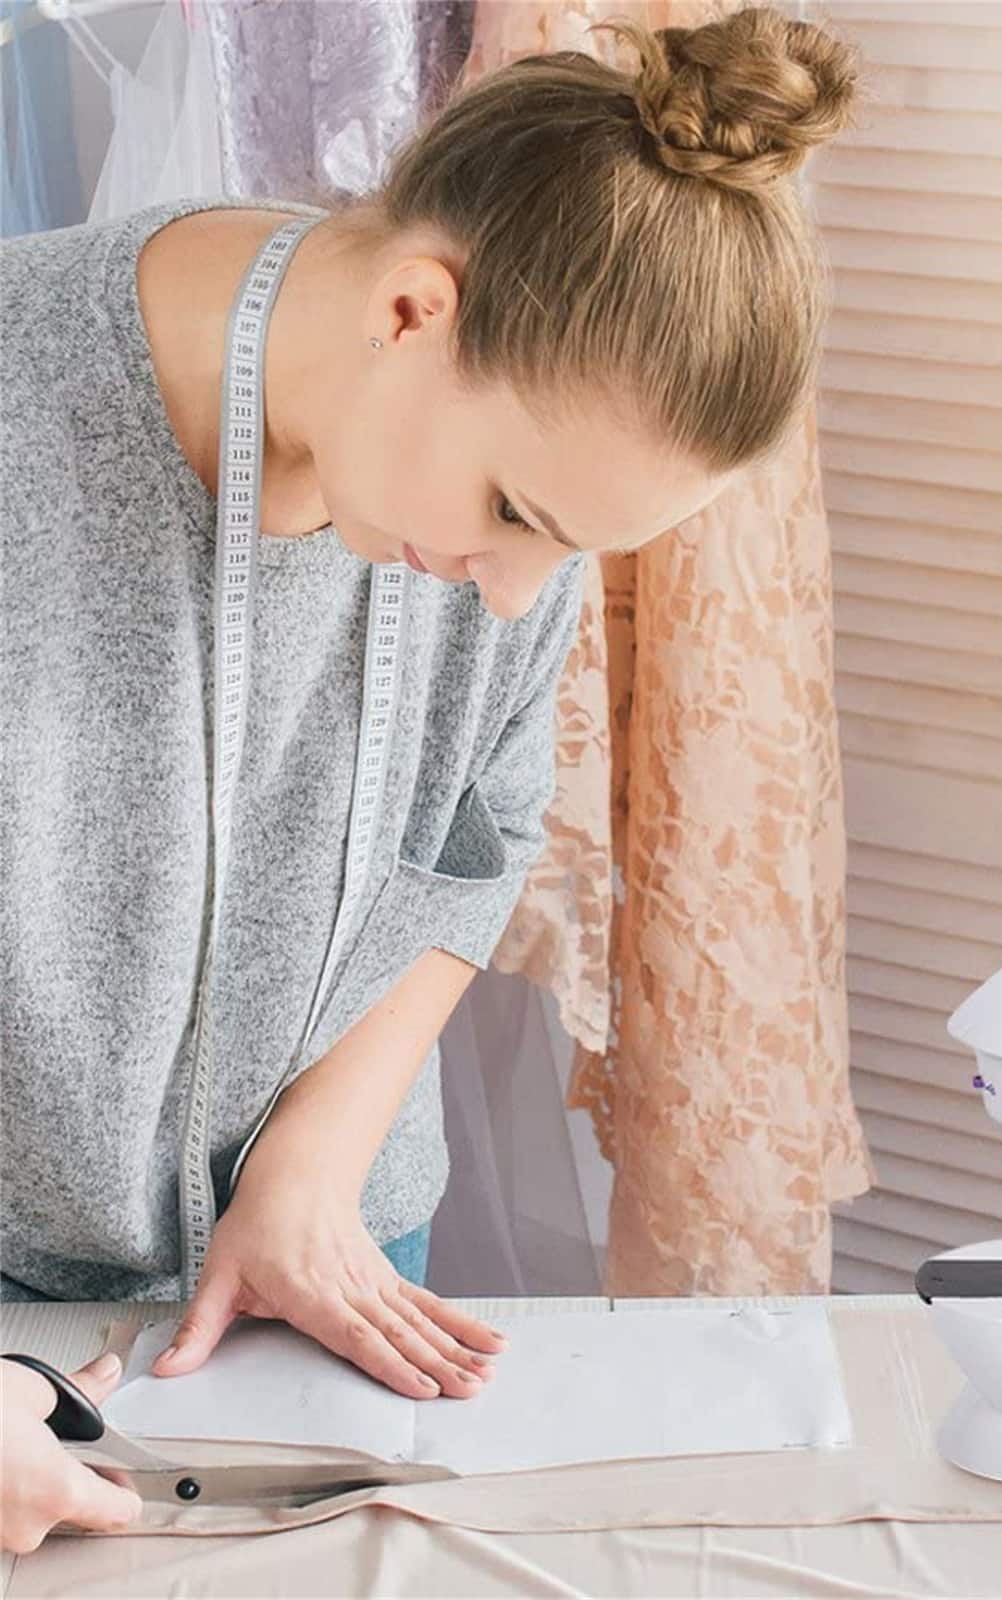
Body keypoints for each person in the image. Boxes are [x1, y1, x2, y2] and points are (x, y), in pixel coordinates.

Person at [0, 4, 860, 1551]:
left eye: (569, 552)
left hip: (327, 1246)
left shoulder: (495, 513)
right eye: (517, 515)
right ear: (413, 309)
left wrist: (315, 1168)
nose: (518, 600)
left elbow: (479, 832)